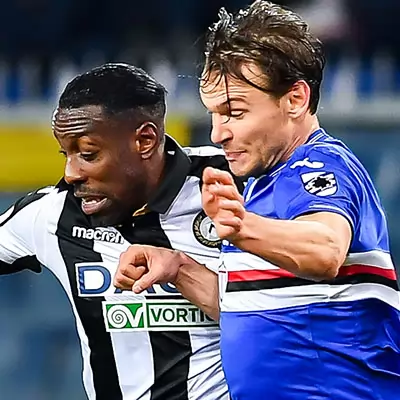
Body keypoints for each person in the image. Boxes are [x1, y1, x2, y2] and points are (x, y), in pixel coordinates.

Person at [114, 2, 400, 399]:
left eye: (234, 112)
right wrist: (179, 268)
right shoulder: (263, 186)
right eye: (213, 114)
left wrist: (242, 227)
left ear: (295, 99)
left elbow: (325, 250)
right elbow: (252, 308)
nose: (217, 133)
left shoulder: (318, 166)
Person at [0, 63, 234, 400]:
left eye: (88, 154)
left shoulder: (234, 186)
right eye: (66, 154)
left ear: (145, 140)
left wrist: (183, 271)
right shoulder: (54, 214)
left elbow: (294, 317)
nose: (70, 173)